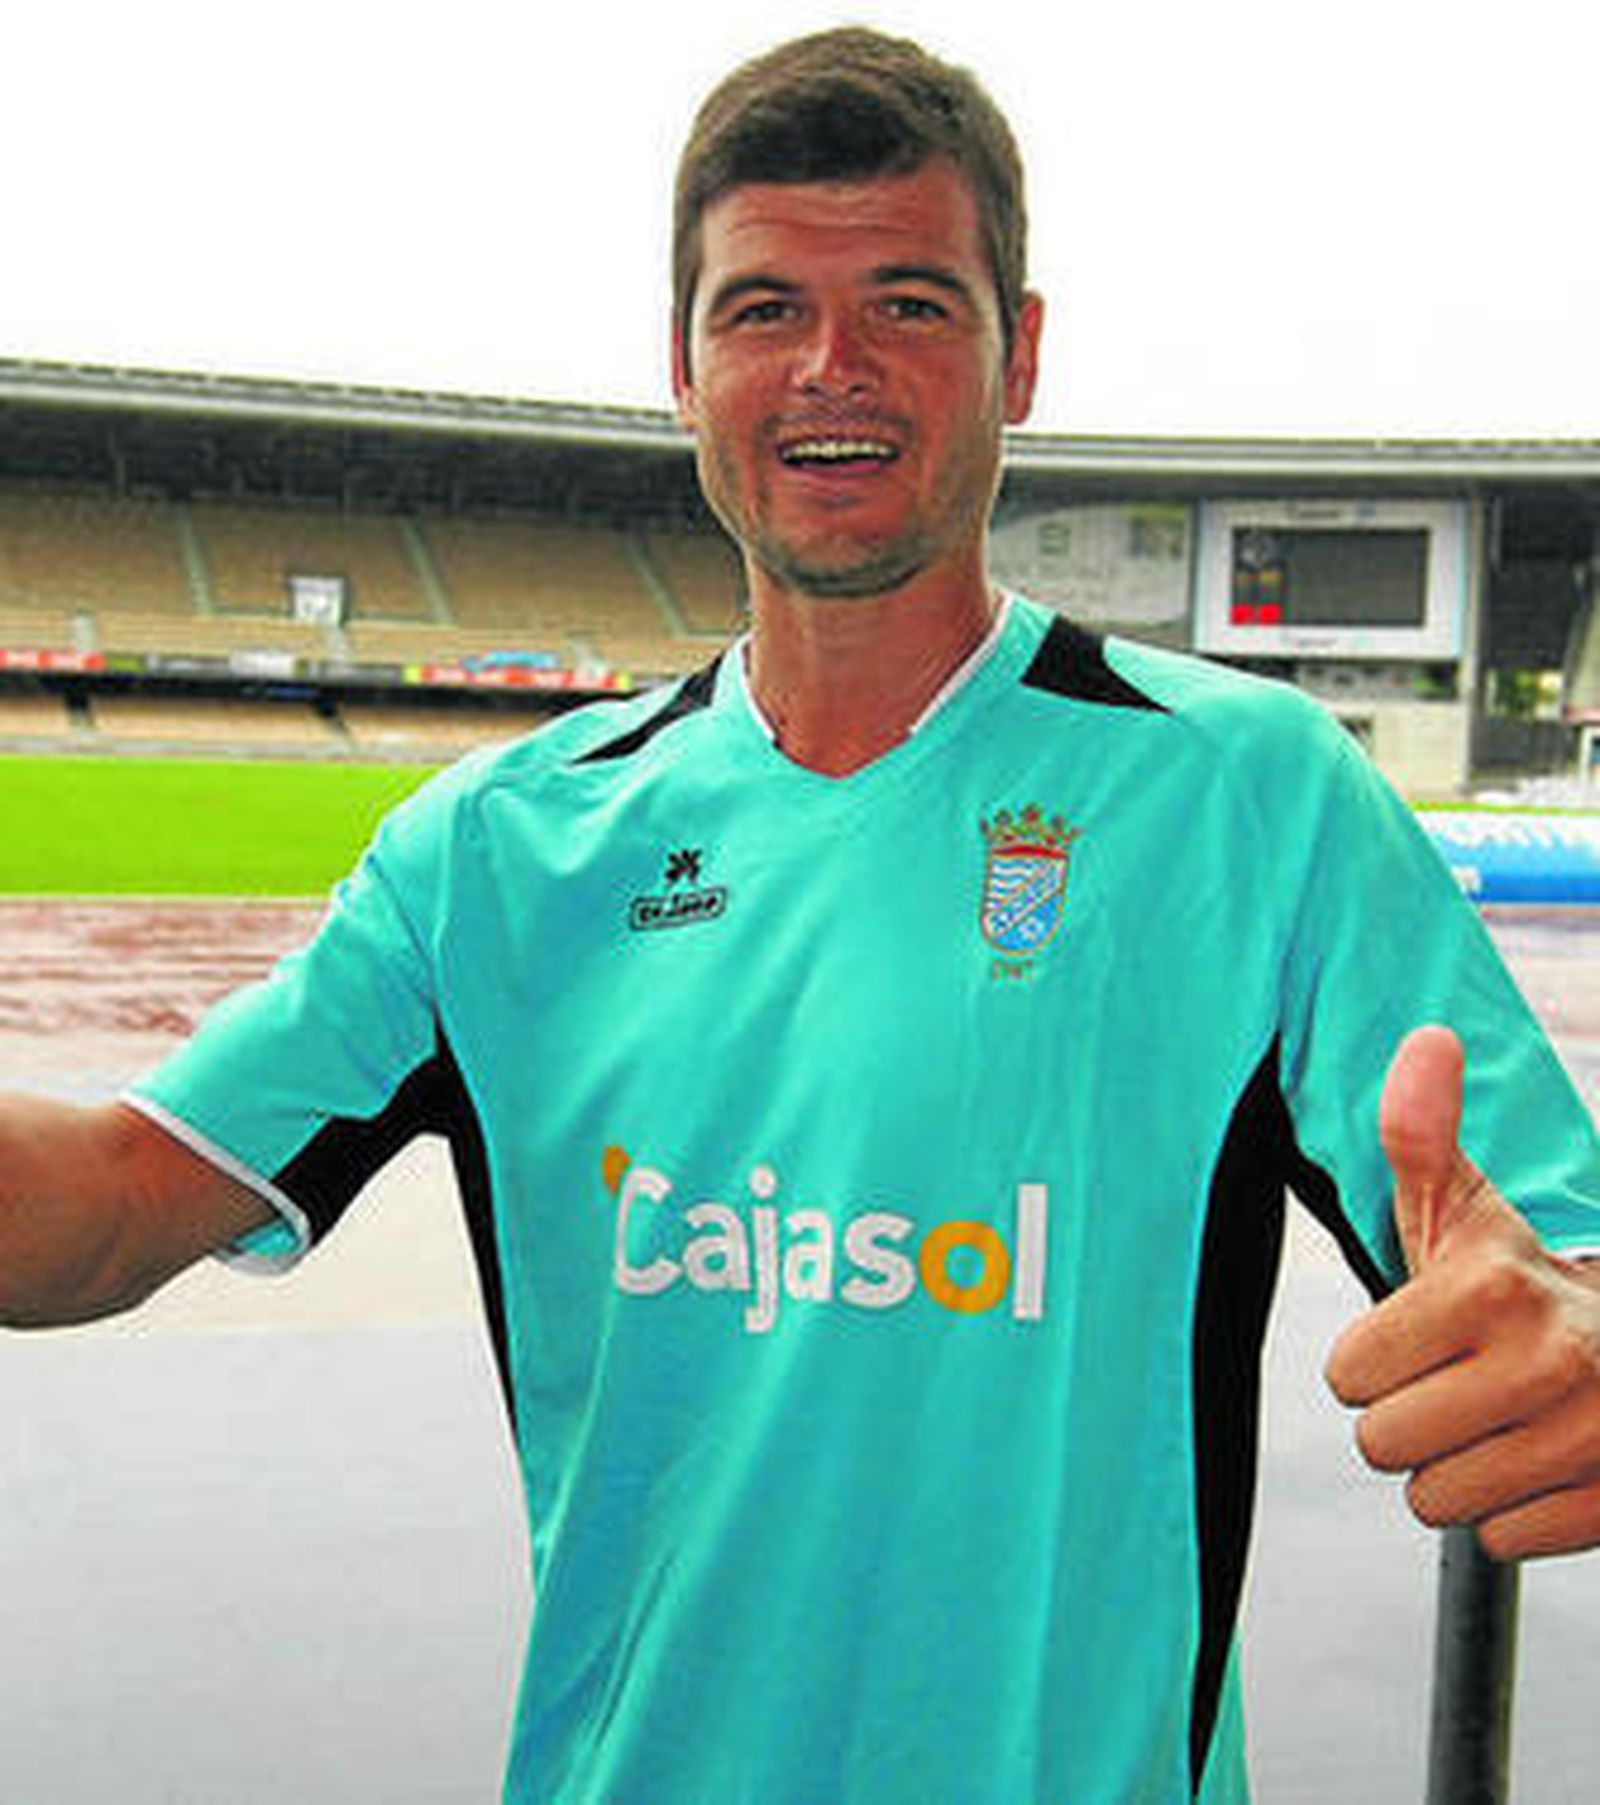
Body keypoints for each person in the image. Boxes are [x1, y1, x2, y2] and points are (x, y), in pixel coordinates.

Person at [3, 25, 1600, 1804]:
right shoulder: (501, 849)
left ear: (1025, 354)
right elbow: (110, 1202)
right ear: (683, 369)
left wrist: (1578, 1349)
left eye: (912, 302)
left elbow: (1560, 1275)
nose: (832, 366)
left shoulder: (1254, 795)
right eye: (762, 310)